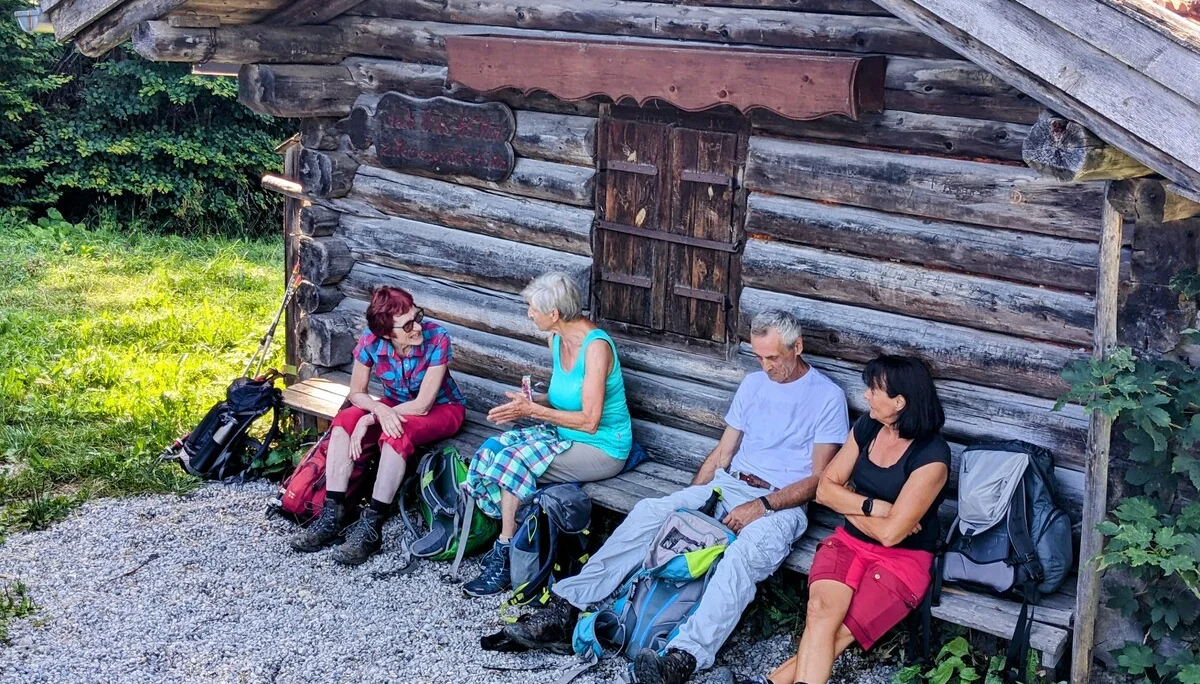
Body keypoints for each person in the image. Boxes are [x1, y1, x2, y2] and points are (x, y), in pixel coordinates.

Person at [503, 309, 850, 684]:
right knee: (650, 512)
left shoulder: (826, 397)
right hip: (729, 485)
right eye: (759, 357)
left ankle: (682, 657)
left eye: (773, 358)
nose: (766, 367)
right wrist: (692, 497)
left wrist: (762, 505)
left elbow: (819, 479)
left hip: (780, 504)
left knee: (740, 559)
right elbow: (723, 452)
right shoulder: (754, 384)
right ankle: (567, 606)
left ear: (797, 347)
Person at [748, 355, 950, 684]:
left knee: (839, 632)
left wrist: (846, 503)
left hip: (902, 558)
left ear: (899, 402)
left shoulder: (932, 456)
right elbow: (824, 489)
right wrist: (873, 506)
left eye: (874, 390)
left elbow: (891, 536)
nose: (866, 395)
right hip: (850, 542)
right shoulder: (869, 426)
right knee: (819, 612)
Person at [461, 271, 634, 597]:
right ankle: (503, 531)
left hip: (603, 447)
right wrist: (528, 403)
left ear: (553, 314)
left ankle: (508, 552)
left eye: (533, 308)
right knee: (494, 448)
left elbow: (590, 421)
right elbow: (561, 399)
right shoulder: (556, 339)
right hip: (564, 434)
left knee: (515, 461)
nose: (529, 314)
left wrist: (533, 412)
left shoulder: (595, 348)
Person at [290, 285, 467, 565]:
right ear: (386, 333)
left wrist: (371, 417)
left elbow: (422, 405)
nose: (417, 326)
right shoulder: (371, 341)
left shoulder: (437, 337)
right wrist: (376, 409)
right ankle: (333, 514)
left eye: (417, 316)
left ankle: (372, 526)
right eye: (407, 325)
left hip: (442, 409)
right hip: (393, 405)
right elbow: (356, 393)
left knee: (396, 432)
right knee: (345, 420)